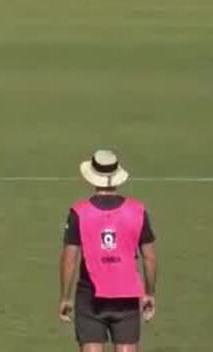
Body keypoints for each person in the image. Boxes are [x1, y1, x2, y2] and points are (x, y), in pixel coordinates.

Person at [59, 150, 157, 352]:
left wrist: (65, 297)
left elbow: (69, 259)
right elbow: (149, 257)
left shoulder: (79, 212)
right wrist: (150, 293)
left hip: (90, 296)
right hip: (127, 296)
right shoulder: (137, 211)